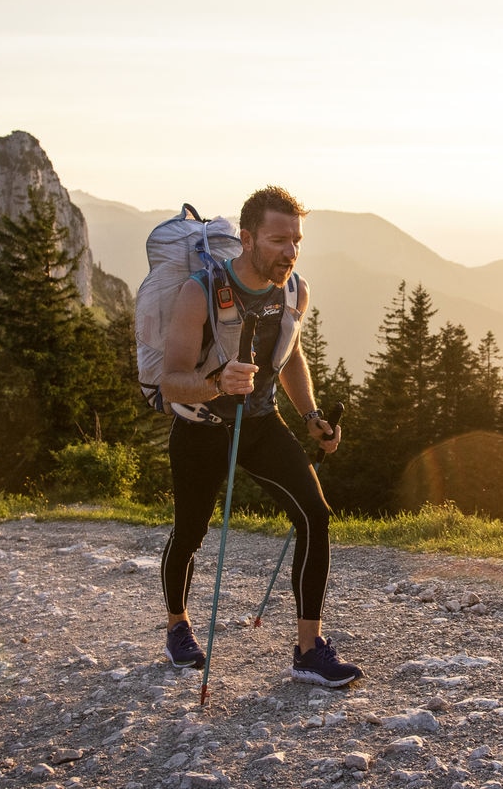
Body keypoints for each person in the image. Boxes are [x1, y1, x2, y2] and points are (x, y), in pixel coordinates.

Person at [156, 185, 363, 687]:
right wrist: (214, 383)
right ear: (246, 239)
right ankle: (178, 624)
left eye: (296, 240)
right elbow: (169, 380)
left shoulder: (295, 291)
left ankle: (309, 650)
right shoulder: (198, 293)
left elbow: (289, 355)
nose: (290, 251)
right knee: (190, 532)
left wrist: (311, 414)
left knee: (313, 514)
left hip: (260, 423)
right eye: (278, 239)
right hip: (201, 427)